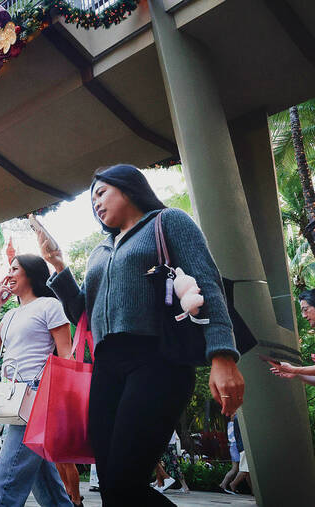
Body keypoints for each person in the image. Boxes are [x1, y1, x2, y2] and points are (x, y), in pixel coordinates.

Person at [37, 164, 244, 506]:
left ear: (129, 187)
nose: (96, 204)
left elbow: (208, 284)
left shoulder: (168, 221)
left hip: (157, 360)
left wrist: (222, 356)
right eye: (92, 201)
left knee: (125, 482)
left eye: (101, 193)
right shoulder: (99, 252)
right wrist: (58, 266)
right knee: (114, 488)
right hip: (107, 369)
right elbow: (83, 314)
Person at [0, 253, 75, 507]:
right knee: (45, 483)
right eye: (8, 269)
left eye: (15, 269)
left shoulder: (49, 305)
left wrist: (62, 397)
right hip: (14, 398)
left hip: (37, 396)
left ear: (31, 274)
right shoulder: (11, 315)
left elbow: (66, 353)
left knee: (6, 479)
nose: (9, 274)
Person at [219, 416, 240, 494]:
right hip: (235, 447)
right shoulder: (233, 424)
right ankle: (224, 484)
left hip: (233, 447)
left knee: (236, 469)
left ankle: (227, 485)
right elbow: (235, 437)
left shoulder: (230, 424)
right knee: (236, 469)